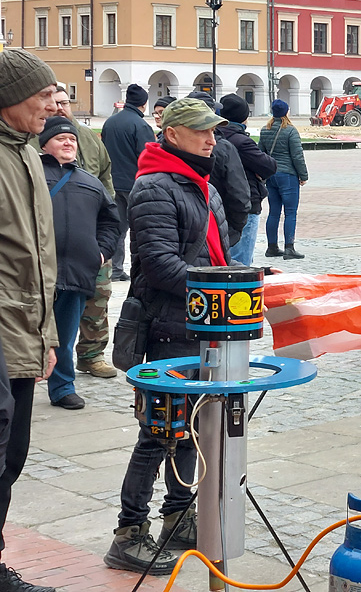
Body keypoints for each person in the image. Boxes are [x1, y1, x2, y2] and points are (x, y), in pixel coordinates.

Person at [104, 97, 232, 575]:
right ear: (172, 133)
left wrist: (248, 279)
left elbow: (215, 254)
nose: (211, 139)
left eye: (214, 132)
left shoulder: (202, 185)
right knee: (158, 435)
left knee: (193, 433)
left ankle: (178, 518)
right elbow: (160, 266)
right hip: (166, 328)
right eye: (202, 132)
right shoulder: (155, 185)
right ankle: (129, 532)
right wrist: (222, 288)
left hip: (203, 326)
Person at [0, 47, 59, 592]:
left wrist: (48, 335)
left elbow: (36, 254)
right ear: (10, 99)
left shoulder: (25, 153)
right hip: (1, 331)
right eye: (44, 95)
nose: (55, 103)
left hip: (24, 330)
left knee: (11, 457)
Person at [31, 84, 120, 378]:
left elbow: (106, 185)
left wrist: (101, 248)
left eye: (65, 102)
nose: (60, 107)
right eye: (54, 102)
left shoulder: (90, 142)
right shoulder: (31, 148)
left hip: (86, 249)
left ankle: (90, 355)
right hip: (43, 258)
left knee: (95, 304)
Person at [101, 83, 155, 281]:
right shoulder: (141, 126)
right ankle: (141, 270)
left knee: (118, 228)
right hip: (135, 184)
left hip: (113, 182)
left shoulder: (110, 122)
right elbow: (147, 156)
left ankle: (115, 269)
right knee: (143, 229)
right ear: (144, 104)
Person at [216, 93, 277, 265]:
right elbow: (269, 166)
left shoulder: (217, 136)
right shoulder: (241, 141)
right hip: (245, 204)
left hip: (221, 205)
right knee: (240, 261)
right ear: (244, 117)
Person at [186, 92, 251, 247]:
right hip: (217, 229)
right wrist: (231, 231)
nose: (211, 141)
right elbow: (240, 196)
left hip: (214, 229)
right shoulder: (224, 147)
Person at [259, 99, 309, 260]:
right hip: (288, 176)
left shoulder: (264, 130)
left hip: (271, 176)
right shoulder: (291, 131)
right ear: (286, 112)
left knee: (273, 212)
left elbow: (260, 153)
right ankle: (289, 248)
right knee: (290, 213)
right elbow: (297, 156)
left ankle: (272, 247)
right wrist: (303, 176)